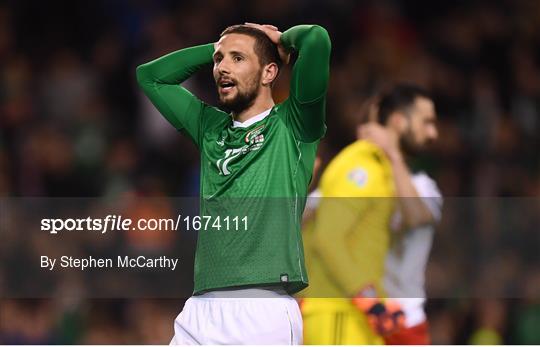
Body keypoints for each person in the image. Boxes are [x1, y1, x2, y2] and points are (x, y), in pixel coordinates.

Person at [136, 22, 331, 344]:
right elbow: (151, 76)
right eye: (219, 60)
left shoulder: (293, 125)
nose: (222, 68)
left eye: (237, 59)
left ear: (269, 73)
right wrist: (221, 45)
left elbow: (316, 38)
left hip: (263, 309)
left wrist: (277, 41)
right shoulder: (209, 128)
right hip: (199, 308)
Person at [300, 84, 439, 344]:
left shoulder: (413, 183)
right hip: (349, 310)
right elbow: (326, 236)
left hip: (381, 314)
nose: (432, 132)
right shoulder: (360, 167)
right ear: (397, 122)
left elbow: (417, 218)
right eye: (425, 122)